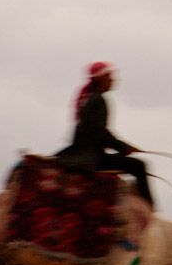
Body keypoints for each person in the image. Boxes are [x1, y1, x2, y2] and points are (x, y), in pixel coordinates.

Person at [51, 61, 154, 206]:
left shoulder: (89, 99)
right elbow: (99, 134)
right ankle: (149, 211)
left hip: (86, 153)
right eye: (109, 76)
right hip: (90, 157)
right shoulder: (97, 100)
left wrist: (123, 147)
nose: (113, 80)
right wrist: (124, 147)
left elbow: (99, 132)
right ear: (100, 79)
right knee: (139, 166)